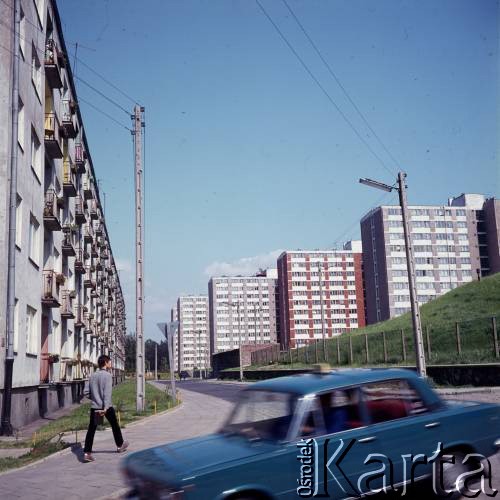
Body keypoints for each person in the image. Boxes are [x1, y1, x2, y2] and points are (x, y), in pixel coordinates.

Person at [83, 354, 129, 462]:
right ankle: (120, 445)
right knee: (114, 425)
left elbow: (86, 392)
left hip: (95, 407)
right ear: (105, 363)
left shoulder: (92, 375)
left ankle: (87, 453)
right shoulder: (108, 376)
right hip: (106, 407)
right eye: (109, 362)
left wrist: (95, 398)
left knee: (91, 430)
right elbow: (107, 394)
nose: (110, 364)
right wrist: (105, 407)